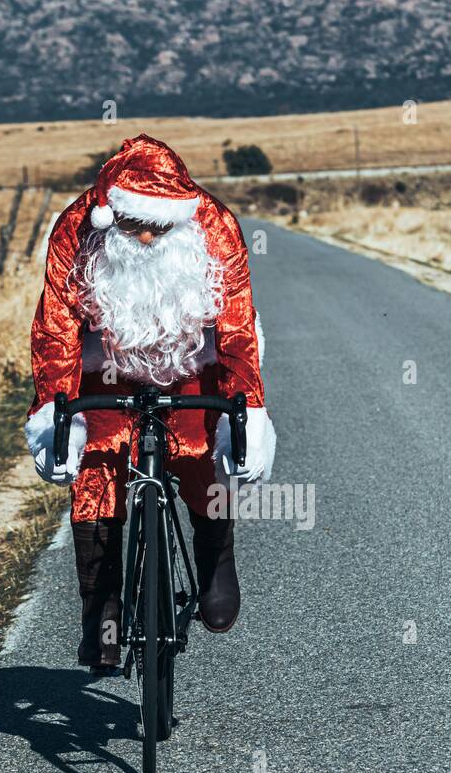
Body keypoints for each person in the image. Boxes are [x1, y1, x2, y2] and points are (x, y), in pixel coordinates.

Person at [24, 133, 275, 673]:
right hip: (105, 358)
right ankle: (102, 609)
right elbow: (56, 325)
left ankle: (215, 560)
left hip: (192, 354)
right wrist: (58, 409)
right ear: (109, 215)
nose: (142, 238)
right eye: (131, 225)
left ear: (179, 218)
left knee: (201, 448)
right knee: (99, 461)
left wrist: (245, 410)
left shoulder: (215, 225)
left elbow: (235, 325)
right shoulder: (76, 226)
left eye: (157, 228)